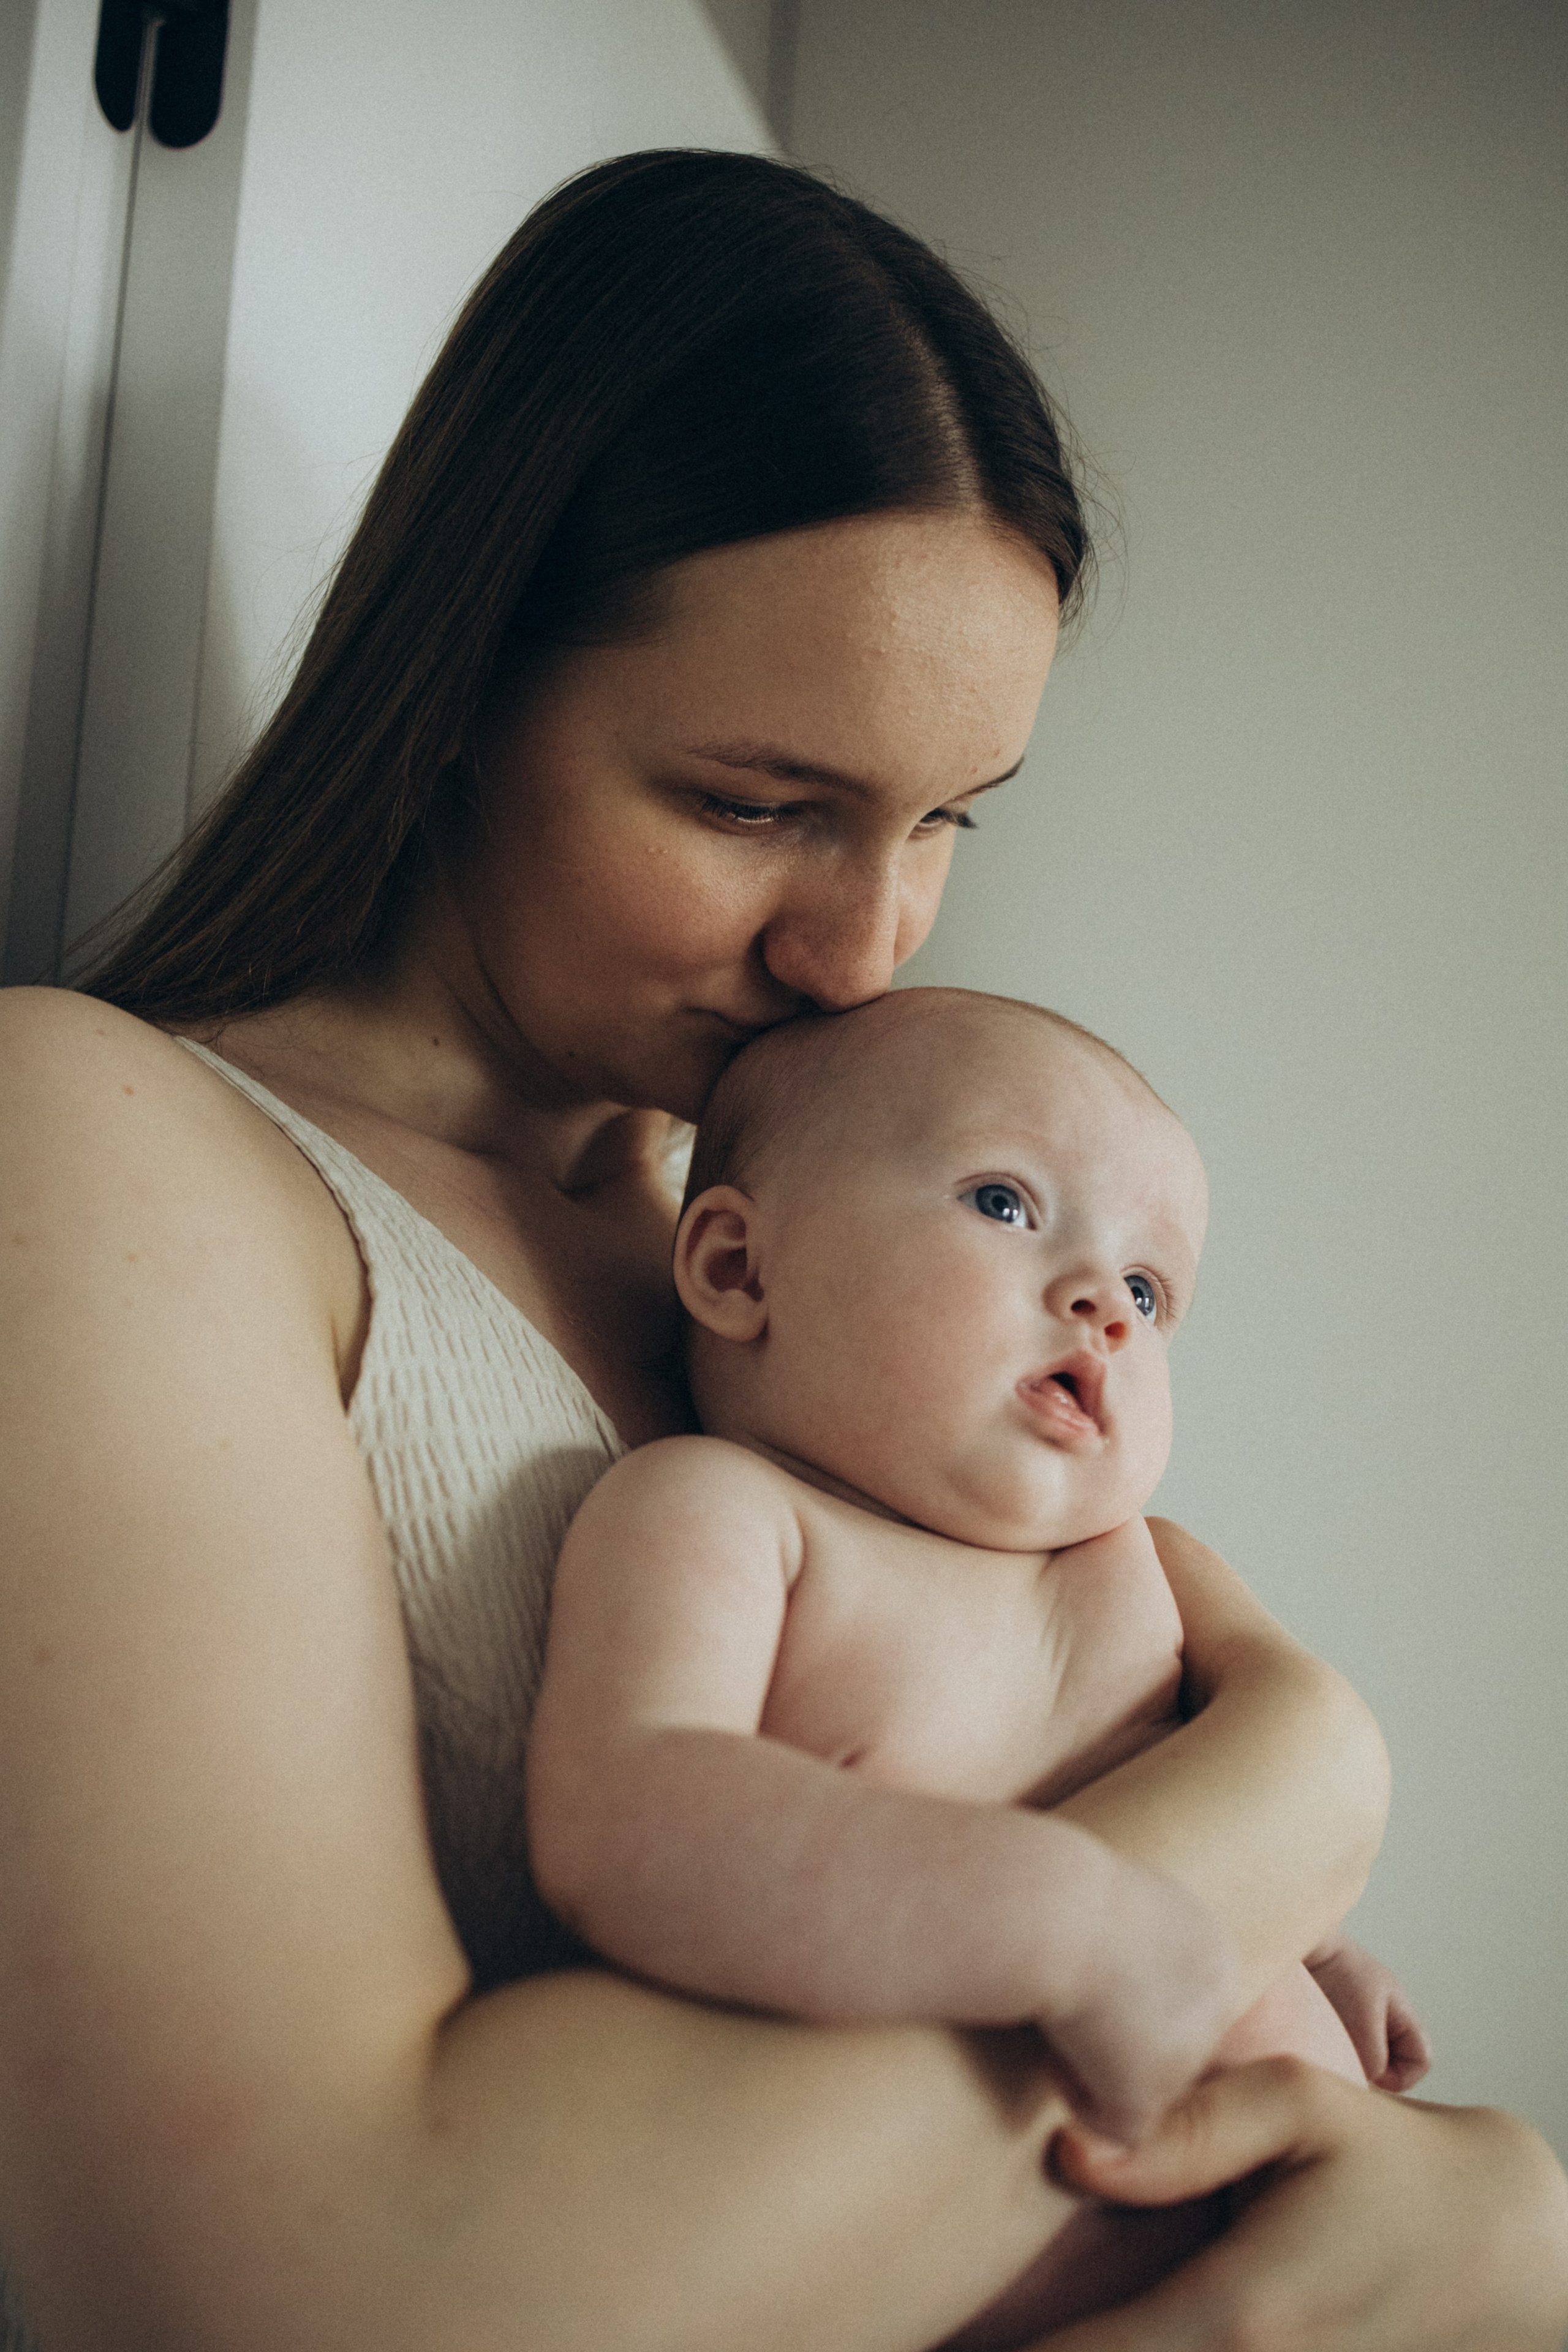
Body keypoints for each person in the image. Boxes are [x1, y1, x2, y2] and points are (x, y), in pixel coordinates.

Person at [1, 148, 1564, 2352]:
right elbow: (284, 2292)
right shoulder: (110, 1147)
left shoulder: (838, 1263)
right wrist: (1292, 1805)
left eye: (943, 823)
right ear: (458, 681)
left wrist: (1481, 2213)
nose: (864, 950)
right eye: (755, 805)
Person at [526, 985, 1426, 2341]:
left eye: (1147, 1288)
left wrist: (1316, 1946)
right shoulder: (726, 1515)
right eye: (1003, 1204)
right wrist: (1067, 1924)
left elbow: (1255, 1824)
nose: (1101, 1308)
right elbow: (624, 1813)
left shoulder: (1154, 1563)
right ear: (737, 1270)